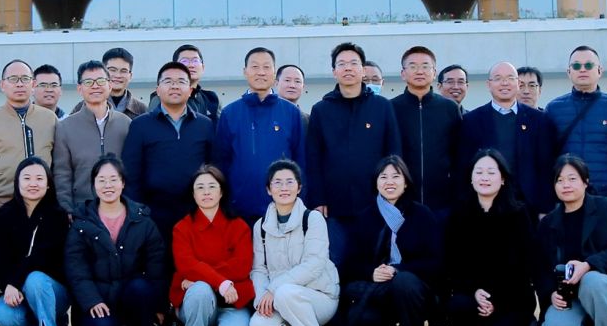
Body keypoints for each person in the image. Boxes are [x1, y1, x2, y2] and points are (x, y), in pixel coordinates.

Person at [304, 41, 400, 263]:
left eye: (353, 63)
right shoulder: (321, 110)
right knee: (336, 263)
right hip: (334, 206)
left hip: (376, 203)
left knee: (375, 263)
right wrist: (318, 198)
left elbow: (394, 153)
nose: (348, 68)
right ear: (334, 72)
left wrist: (392, 193)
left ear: (363, 70)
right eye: (342, 64)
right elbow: (314, 158)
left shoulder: (382, 106)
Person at [65, 155, 170, 326]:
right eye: (101, 180)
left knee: (140, 287)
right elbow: (76, 270)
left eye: (113, 179)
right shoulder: (82, 223)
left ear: (123, 183)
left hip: (131, 299)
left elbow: (157, 269)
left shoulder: (142, 221)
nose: (108, 186)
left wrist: (159, 307)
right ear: (94, 184)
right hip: (99, 300)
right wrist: (92, 300)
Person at [338, 156, 443, 326]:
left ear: (406, 182)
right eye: (383, 177)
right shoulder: (365, 217)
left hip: (415, 292)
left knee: (404, 281)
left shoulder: (422, 215)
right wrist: (372, 273)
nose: (389, 182)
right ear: (376, 182)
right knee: (362, 317)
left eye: (396, 176)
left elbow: (435, 262)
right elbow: (349, 264)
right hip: (379, 291)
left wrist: (398, 270)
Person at [533, 155, 607, 326]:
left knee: (592, 280)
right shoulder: (548, 223)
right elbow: (540, 267)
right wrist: (551, 293)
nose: (566, 185)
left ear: (585, 181)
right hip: (570, 295)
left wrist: (588, 265)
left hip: (606, 288)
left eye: (572, 179)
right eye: (560, 180)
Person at [441, 149, 536, 326]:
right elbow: (452, 264)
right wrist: (474, 292)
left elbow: (525, 266)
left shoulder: (518, 214)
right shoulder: (459, 215)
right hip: (473, 298)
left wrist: (496, 300)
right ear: (471, 178)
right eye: (479, 172)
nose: (484, 177)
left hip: (510, 298)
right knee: (458, 305)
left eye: (491, 172)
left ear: (503, 179)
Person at [248, 159, 341, 326]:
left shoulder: (312, 219)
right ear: (268, 189)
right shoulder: (260, 226)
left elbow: (314, 264)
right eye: (277, 182)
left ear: (299, 188)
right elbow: (259, 269)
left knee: (286, 292)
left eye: (290, 182)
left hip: (319, 297)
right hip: (280, 298)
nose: (284, 188)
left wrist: (274, 289)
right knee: (258, 325)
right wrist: (261, 298)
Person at [123, 61, 216, 237]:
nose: (174, 86)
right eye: (168, 81)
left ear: (190, 90)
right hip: (153, 215)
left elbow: (214, 167)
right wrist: (137, 213)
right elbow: (131, 173)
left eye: (181, 81)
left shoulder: (205, 125)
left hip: (196, 212)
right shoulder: (140, 125)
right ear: (158, 90)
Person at [212, 46, 304, 222]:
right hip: (239, 209)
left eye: (266, 67)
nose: (261, 72)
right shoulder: (230, 113)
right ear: (245, 71)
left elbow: (300, 159)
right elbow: (220, 162)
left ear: (274, 73)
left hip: (283, 207)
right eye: (255, 66)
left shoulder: (291, 112)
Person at [0, 157, 70, 326]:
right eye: (27, 178)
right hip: (17, 291)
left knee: (36, 279)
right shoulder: (3, 215)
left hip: (51, 290)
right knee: (4, 315)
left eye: (39, 179)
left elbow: (43, 257)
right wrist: (7, 285)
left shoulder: (58, 215)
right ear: (17, 182)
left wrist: (15, 282)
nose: (33, 183)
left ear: (48, 184)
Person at [173, 164, 253, 326]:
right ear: (193, 194)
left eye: (212, 186)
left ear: (221, 192)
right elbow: (186, 264)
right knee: (200, 290)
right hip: (196, 302)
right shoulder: (182, 228)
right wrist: (221, 282)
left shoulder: (239, 226)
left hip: (231, 302)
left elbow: (241, 266)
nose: (206, 192)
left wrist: (202, 275)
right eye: (200, 187)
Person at [542, 48, 607, 210]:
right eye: (576, 66)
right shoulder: (553, 108)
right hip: (565, 198)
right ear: (569, 72)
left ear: (600, 71)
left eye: (588, 65)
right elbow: (544, 156)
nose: (582, 69)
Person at [464, 61, 561, 215]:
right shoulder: (471, 121)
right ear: (489, 84)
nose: (504, 83)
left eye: (510, 78)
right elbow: (463, 168)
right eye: (498, 78)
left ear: (517, 84)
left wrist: (545, 209)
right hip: (485, 207)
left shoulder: (539, 120)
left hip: (529, 207)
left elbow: (546, 167)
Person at [0, 59, 59, 215]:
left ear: (33, 84)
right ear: (2, 85)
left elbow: (59, 165)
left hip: (44, 204)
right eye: (13, 79)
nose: (19, 84)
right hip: (2, 205)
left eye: (25, 79)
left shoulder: (49, 119)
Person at [389, 44, 461, 217]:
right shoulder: (390, 108)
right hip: (401, 202)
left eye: (425, 66)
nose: (419, 71)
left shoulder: (449, 108)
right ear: (403, 73)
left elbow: (459, 154)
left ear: (434, 73)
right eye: (413, 66)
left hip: (443, 202)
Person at [51, 60, 132, 209]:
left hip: (120, 209)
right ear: (79, 89)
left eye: (100, 81)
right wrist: (67, 209)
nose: (95, 86)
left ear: (110, 85)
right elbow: (62, 174)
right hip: (82, 210)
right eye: (88, 82)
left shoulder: (126, 123)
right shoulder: (65, 127)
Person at [102, 47, 144, 119]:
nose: (118, 75)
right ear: (102, 72)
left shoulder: (142, 110)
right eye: (112, 70)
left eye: (123, 71)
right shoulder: (86, 107)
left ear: (130, 76)